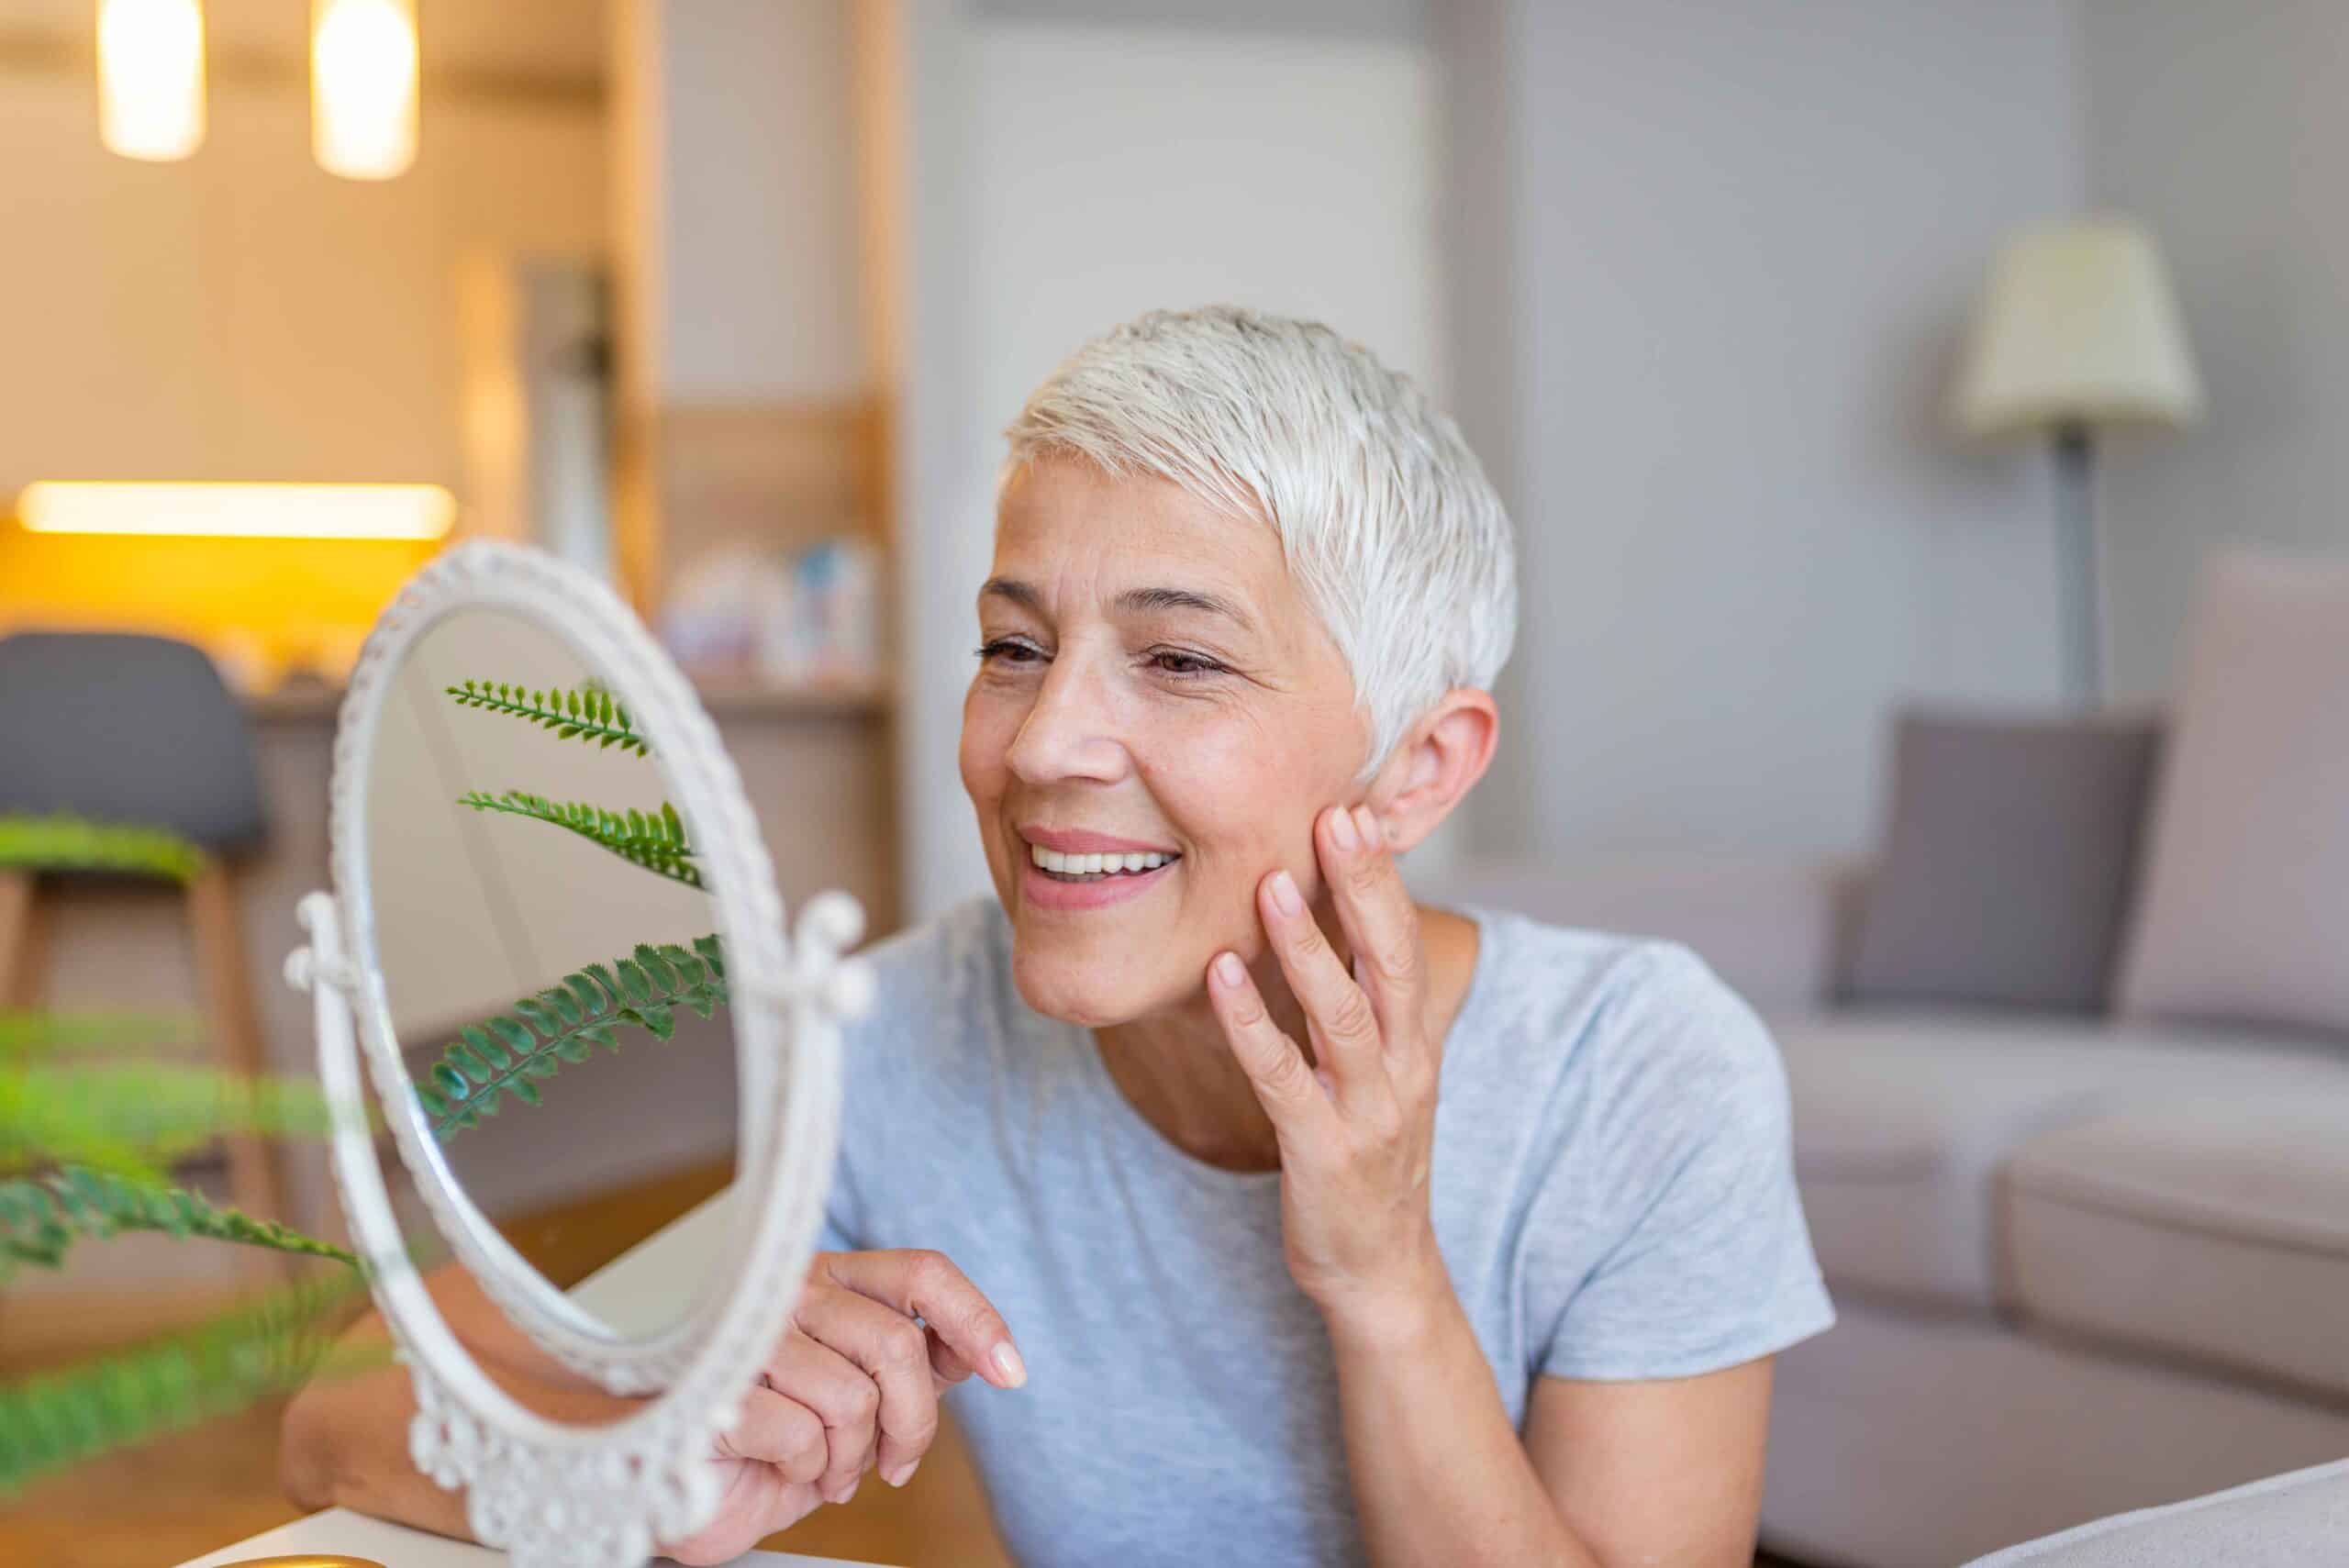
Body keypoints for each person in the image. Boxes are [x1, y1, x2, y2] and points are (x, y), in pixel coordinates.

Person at [282, 305, 1834, 1567]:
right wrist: (639, 1463)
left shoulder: (1640, 1071)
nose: (1040, 745)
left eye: (1178, 658)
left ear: (1420, 765)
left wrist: (1382, 1275)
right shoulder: (901, 1036)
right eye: (1014, 647)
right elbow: (344, 1403)